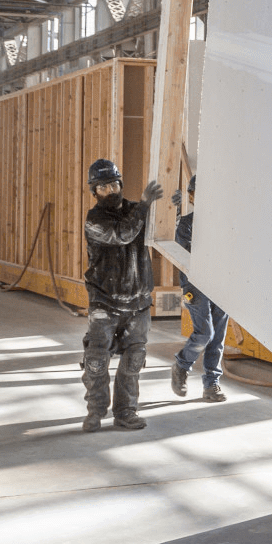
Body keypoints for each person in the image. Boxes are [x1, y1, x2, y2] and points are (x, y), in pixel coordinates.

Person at [80, 158, 161, 432]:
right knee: (96, 360)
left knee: (134, 359)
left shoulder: (137, 210)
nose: (110, 191)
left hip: (138, 303)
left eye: (114, 184)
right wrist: (145, 206)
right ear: (94, 192)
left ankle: (126, 411)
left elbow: (159, 225)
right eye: (103, 187)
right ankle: (95, 412)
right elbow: (123, 234)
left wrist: (170, 205)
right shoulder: (95, 221)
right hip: (105, 302)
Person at [170, 174, 229, 403]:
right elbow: (181, 257)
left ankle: (211, 385)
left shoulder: (225, 224)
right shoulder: (186, 224)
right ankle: (182, 365)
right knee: (205, 333)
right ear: (192, 196)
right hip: (195, 284)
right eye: (196, 194)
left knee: (218, 338)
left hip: (222, 282)